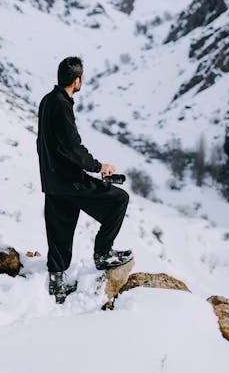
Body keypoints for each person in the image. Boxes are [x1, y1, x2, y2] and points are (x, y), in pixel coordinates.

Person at [37, 56, 132, 303]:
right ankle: (103, 253)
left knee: (60, 229)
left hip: (53, 181)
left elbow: (43, 144)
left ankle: (57, 284)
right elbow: (72, 147)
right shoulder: (61, 105)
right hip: (70, 181)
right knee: (118, 200)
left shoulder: (47, 101)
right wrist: (99, 167)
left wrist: (49, 173)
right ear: (77, 80)